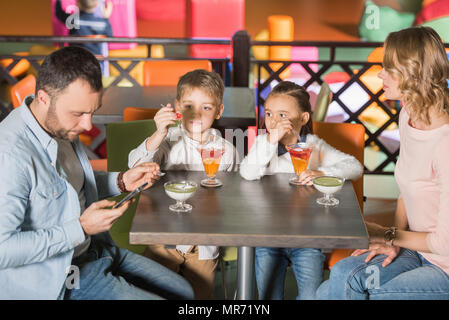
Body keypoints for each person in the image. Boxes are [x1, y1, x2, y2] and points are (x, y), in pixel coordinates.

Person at [0, 46, 194, 300]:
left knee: (184, 291)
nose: (88, 125)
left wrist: (121, 180)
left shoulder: (57, 125)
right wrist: (80, 228)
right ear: (44, 98)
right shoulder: (10, 154)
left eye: (93, 111)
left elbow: (73, 184)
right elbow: (3, 250)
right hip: (58, 279)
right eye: (79, 113)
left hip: (94, 251)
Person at [316, 26, 449, 300]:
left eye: (389, 68)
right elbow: (406, 196)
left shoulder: (445, 143)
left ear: (413, 74)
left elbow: (445, 244)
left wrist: (387, 235)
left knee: (375, 294)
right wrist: (392, 242)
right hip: (417, 251)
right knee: (336, 280)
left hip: (444, 266)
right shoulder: (409, 115)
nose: (379, 74)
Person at [239, 81, 363, 300]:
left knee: (310, 297)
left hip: (307, 238)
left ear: (303, 118)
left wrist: (322, 172)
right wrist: (270, 141)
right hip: (268, 237)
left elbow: (354, 166)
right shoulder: (263, 143)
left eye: (283, 115)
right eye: (269, 114)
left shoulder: (313, 146)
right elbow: (248, 173)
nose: (273, 121)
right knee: (268, 297)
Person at [128, 69, 239, 299]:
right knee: (156, 294)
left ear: (219, 111)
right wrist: (158, 133)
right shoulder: (167, 141)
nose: (196, 114)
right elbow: (135, 167)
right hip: (163, 238)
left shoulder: (227, 151)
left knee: (200, 297)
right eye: (189, 106)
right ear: (177, 107)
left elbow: (237, 193)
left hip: (205, 243)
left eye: (206, 107)